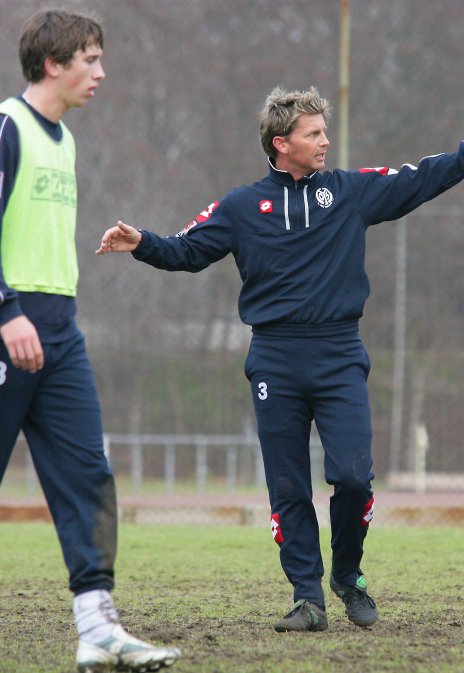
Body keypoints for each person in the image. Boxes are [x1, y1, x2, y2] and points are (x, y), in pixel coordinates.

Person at [96, 86, 464, 633]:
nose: (325, 141)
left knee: (352, 478)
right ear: (282, 143)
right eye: (314, 134)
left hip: (339, 353)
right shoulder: (240, 206)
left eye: (324, 132)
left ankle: (347, 576)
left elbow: (417, 180)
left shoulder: (349, 192)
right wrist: (140, 241)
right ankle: (307, 598)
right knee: (288, 487)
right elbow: (186, 251)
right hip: (275, 359)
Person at [0, 10, 182, 672]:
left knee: (89, 476)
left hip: (60, 332)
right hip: (9, 326)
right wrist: (5, 309)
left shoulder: (65, 140)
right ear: (54, 64)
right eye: (91, 60)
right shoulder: (7, 128)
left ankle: (97, 624)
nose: (100, 73)